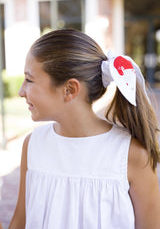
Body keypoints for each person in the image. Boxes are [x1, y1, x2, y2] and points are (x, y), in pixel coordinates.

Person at [9, 29, 160, 229]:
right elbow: (20, 222)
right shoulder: (33, 144)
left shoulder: (131, 155)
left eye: (29, 80)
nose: (21, 91)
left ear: (70, 89)